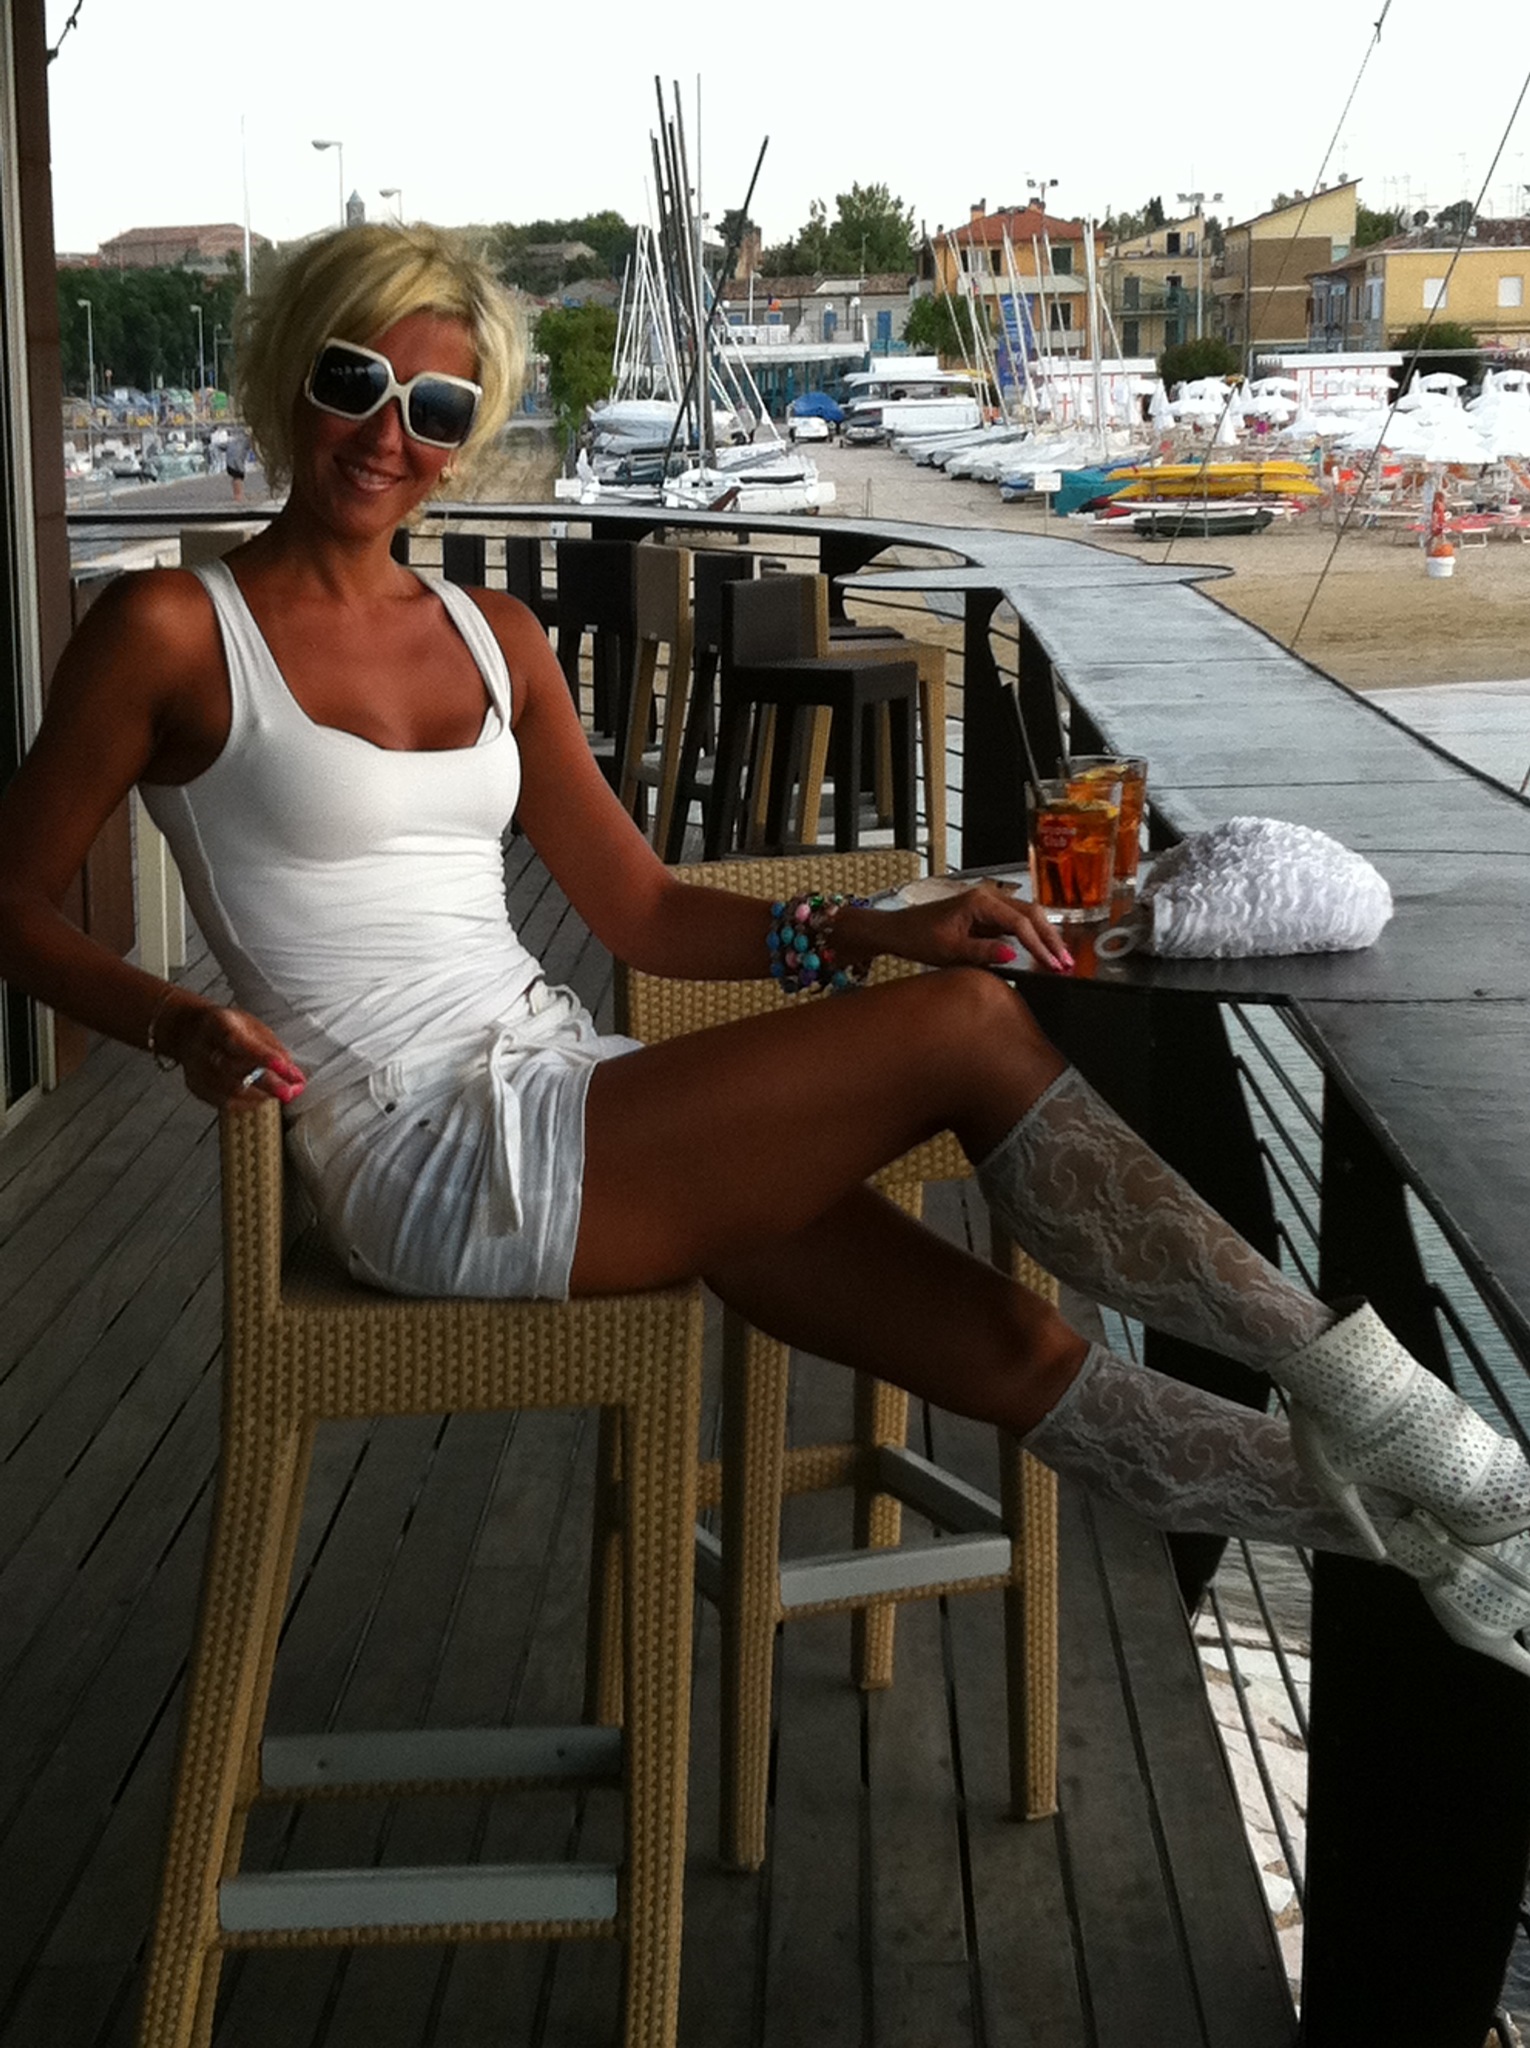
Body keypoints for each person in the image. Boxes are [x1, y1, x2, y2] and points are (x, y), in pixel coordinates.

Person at [1, 222, 1527, 1680]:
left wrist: (868, 923)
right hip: (418, 1148)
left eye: (437, 407)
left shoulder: (492, 640)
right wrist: (172, 1021)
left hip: (565, 1083)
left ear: (468, 435)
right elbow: (12, 905)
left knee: (1005, 1342)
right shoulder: (173, 630)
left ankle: (1433, 1543)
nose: (387, 433)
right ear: (289, 373)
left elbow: (644, 911)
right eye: (356, 382)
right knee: (956, 1027)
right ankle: (1395, 1407)